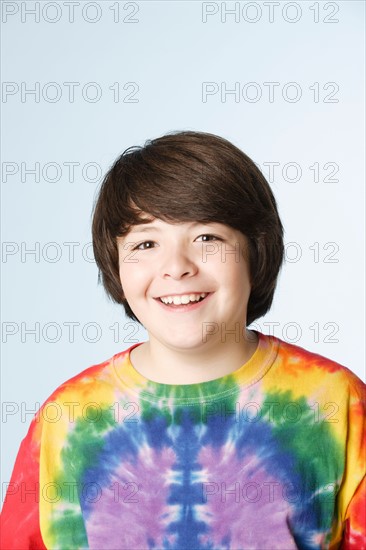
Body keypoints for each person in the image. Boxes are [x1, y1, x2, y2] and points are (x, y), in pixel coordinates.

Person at [1, 131, 365, 549]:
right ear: (116, 267)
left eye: (207, 237)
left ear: (256, 251)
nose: (176, 267)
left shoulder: (336, 402)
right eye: (146, 243)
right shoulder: (69, 418)